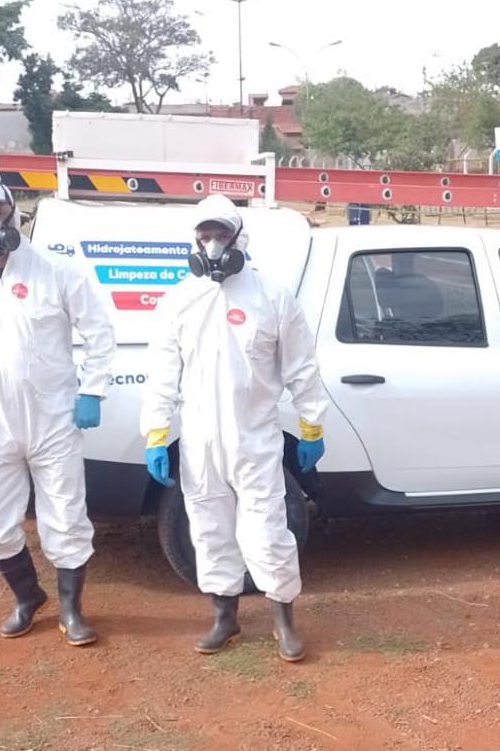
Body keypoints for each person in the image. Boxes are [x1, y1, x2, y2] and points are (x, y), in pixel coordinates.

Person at [0, 178, 115, 646]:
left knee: (66, 519)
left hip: (54, 419)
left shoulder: (57, 270)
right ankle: (28, 597)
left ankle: (72, 610)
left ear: (13, 212)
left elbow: (99, 332)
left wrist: (92, 390)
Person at [140, 194, 328, 662]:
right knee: (209, 529)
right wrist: (156, 434)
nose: (212, 244)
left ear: (239, 238)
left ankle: (283, 621)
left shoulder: (272, 296)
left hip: (255, 437)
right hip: (200, 441)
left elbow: (302, 366)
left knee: (268, 531)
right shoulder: (180, 301)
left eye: (220, 234)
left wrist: (312, 424)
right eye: (204, 235)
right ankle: (225, 618)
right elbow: (162, 373)